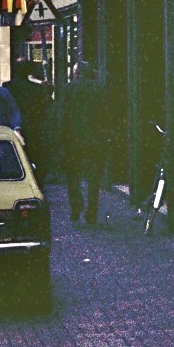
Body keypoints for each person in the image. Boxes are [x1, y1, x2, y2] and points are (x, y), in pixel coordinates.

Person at [58, 60, 108, 224]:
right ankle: (91, 212)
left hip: (73, 141)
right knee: (94, 179)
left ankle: (76, 206)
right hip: (95, 141)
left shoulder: (68, 89)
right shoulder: (99, 89)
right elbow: (105, 115)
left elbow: (62, 116)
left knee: (73, 175)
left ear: (77, 73)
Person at [8, 59, 54, 180]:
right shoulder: (35, 89)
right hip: (32, 127)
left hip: (12, 126)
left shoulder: (7, 87)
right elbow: (42, 108)